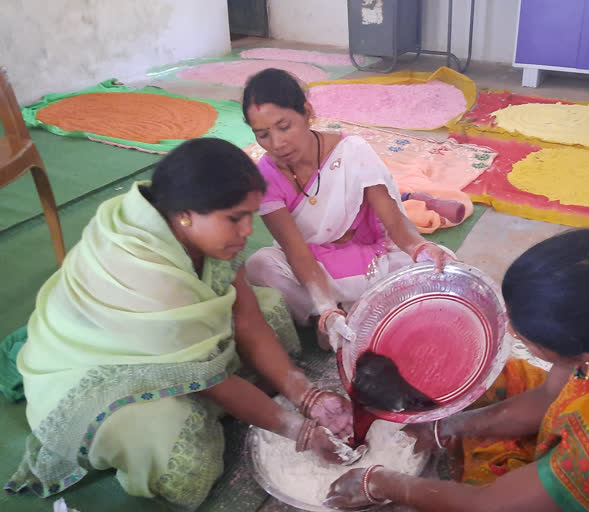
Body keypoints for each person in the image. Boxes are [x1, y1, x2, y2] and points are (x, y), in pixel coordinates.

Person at [5, 138, 355, 510]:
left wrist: (306, 396)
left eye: (250, 216)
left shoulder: (191, 228)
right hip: (97, 370)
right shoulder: (148, 273)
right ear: (187, 213)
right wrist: (300, 431)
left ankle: (218, 390)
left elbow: (248, 319)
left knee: (271, 311)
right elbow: (216, 385)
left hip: (170, 339)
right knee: (181, 455)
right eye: (235, 218)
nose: (247, 231)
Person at [325, 229, 589, 512]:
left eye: (524, 330)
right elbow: (549, 397)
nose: (508, 327)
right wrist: (446, 427)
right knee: (511, 380)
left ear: (581, 355)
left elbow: (487, 505)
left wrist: (381, 483)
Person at [241, 69, 455, 347]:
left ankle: (351, 314)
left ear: (306, 112)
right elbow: (296, 252)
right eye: (263, 135)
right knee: (260, 266)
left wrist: (419, 248)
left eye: (284, 127)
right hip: (314, 270)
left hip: (371, 259)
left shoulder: (352, 151)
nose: (277, 143)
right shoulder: (266, 176)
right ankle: (333, 315)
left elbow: (392, 221)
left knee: (444, 263)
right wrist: (325, 306)